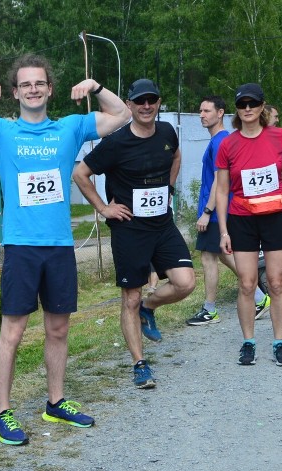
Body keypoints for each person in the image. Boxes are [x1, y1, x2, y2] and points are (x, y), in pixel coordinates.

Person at [0, 54, 130, 445]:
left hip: (59, 245)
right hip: (22, 247)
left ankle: (56, 402)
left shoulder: (70, 128)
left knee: (58, 328)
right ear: (15, 92)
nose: (33, 89)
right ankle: (1, 414)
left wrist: (95, 87)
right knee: (13, 331)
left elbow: (122, 115)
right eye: (25, 84)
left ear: (50, 89)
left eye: (39, 83)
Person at [72, 79, 195, 389]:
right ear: (129, 105)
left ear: (158, 102)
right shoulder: (116, 143)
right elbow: (80, 173)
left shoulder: (167, 131)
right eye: (140, 101)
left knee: (185, 283)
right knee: (131, 296)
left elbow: (176, 156)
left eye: (151, 100)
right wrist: (103, 208)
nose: (146, 106)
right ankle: (140, 364)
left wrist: (168, 186)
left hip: (162, 224)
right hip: (130, 230)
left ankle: (149, 308)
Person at [215, 83, 282, 367]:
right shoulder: (228, 144)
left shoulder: (279, 136)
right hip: (242, 219)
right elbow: (222, 191)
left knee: (277, 282)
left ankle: (279, 342)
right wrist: (223, 230)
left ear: (261, 107)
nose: (247, 109)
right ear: (237, 109)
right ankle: (248, 342)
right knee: (247, 283)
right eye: (242, 104)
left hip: (276, 216)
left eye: (252, 104)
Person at [187, 96, 270, 327]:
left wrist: (207, 211)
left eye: (206, 111)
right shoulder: (219, 139)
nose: (202, 115)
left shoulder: (220, 140)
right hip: (219, 211)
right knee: (224, 255)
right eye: (200, 111)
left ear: (220, 113)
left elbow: (218, 181)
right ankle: (260, 298)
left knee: (208, 257)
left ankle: (210, 310)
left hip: (214, 212)